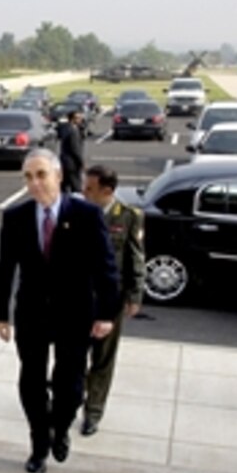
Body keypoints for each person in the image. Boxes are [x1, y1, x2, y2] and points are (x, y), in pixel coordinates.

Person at [0, 148, 118, 473]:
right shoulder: (16, 217)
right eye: (28, 177)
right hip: (31, 313)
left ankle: (60, 428)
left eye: (41, 175)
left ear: (59, 177)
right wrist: (0, 313)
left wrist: (106, 314)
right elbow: (5, 268)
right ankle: (38, 443)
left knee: (70, 384)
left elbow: (106, 268)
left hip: (75, 314)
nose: (35, 183)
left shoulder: (87, 216)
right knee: (31, 381)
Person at [80, 164, 145, 436]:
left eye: (90, 188)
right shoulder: (79, 213)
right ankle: (72, 391)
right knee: (73, 351)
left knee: (103, 358)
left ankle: (93, 411)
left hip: (110, 299)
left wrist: (134, 295)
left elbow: (135, 256)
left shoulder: (128, 216)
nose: (83, 192)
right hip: (81, 296)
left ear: (106, 191)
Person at [58, 109, 85, 194]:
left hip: (64, 162)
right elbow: (75, 149)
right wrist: (81, 162)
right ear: (73, 119)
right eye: (78, 118)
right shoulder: (74, 131)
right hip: (72, 164)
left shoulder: (66, 128)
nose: (80, 120)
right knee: (76, 188)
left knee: (63, 187)